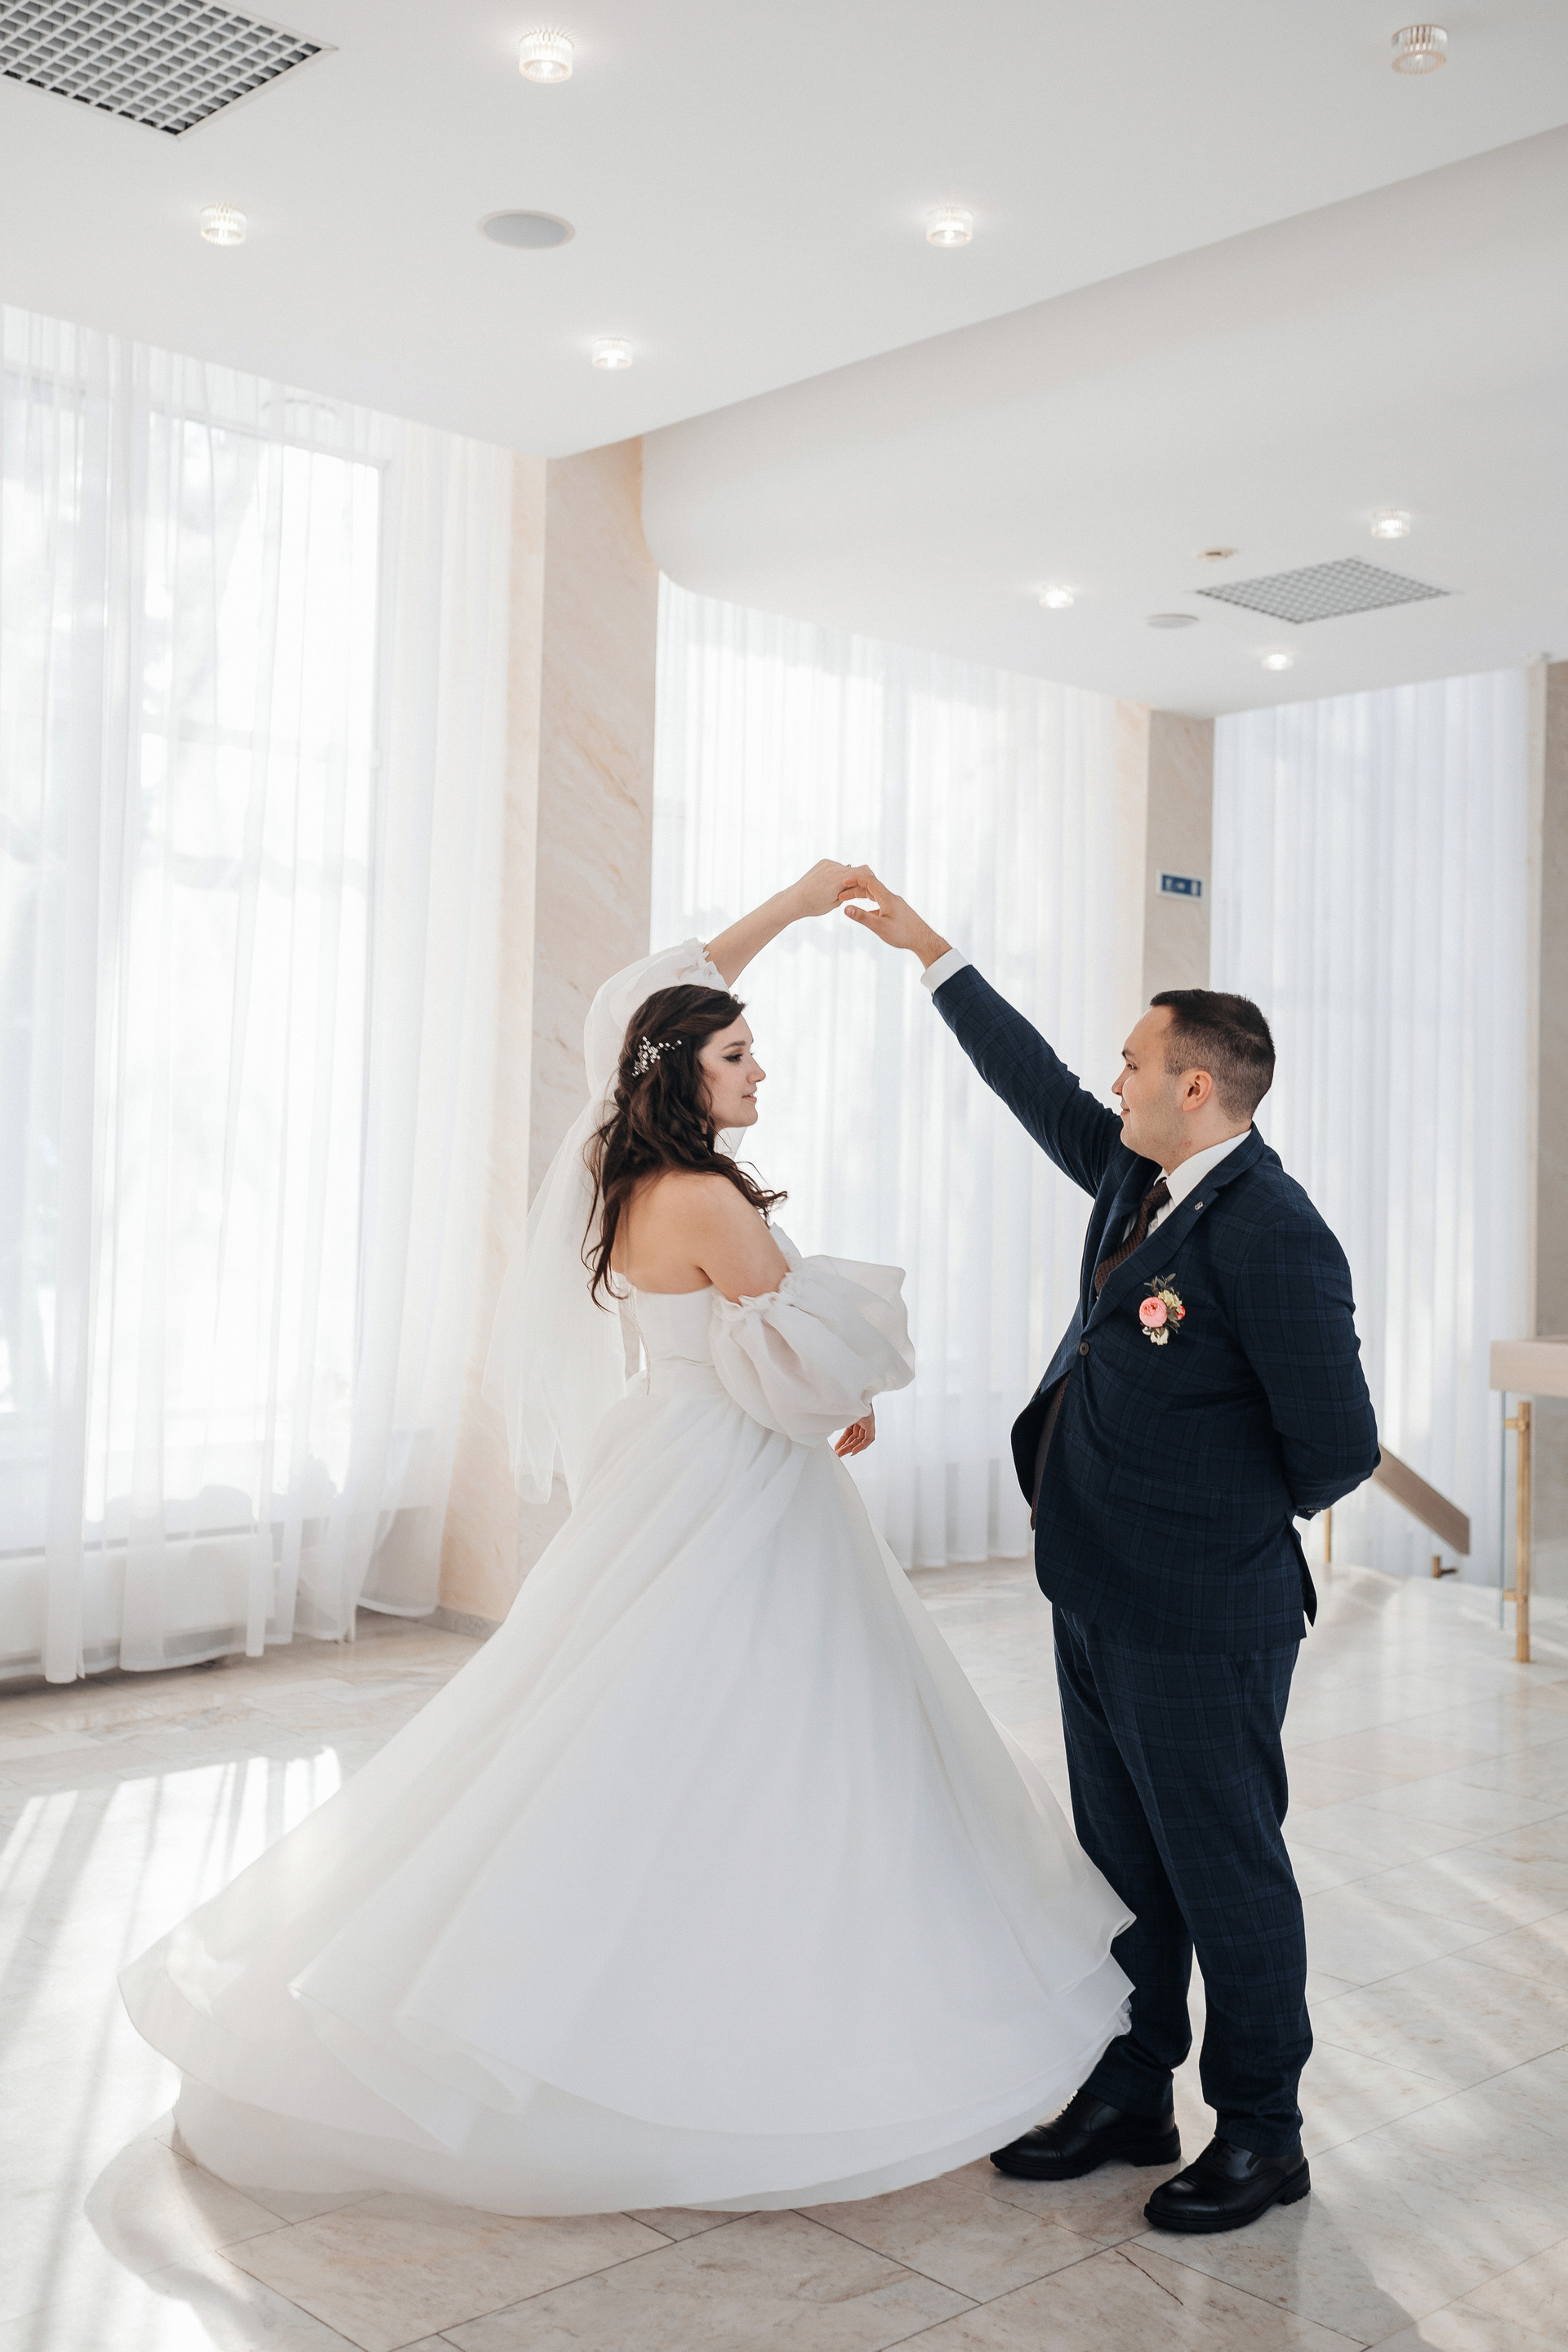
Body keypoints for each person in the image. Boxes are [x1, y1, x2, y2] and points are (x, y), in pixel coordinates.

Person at [122, 862, 1134, 2217]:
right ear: (684, 1074)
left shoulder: (621, 1166)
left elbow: (647, 1009)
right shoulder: (708, 1198)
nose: (761, 1072)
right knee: (779, 1713)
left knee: (622, 1698)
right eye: (739, 1055)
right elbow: (806, 1359)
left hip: (666, 1447)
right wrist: (847, 1395)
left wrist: (794, 907)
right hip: (736, 1470)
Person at [841, 868, 1379, 2236]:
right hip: (1093, 1590)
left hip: (1203, 1614)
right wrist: (933, 954)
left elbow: (1336, 1450)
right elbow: (1039, 1090)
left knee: (1226, 1873)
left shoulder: (1276, 1232)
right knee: (1123, 1869)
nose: (1114, 1076)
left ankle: (1262, 2132)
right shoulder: (1141, 1176)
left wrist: (1204, 1522)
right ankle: (1133, 2092)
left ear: (1196, 1086)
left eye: (1134, 1060)